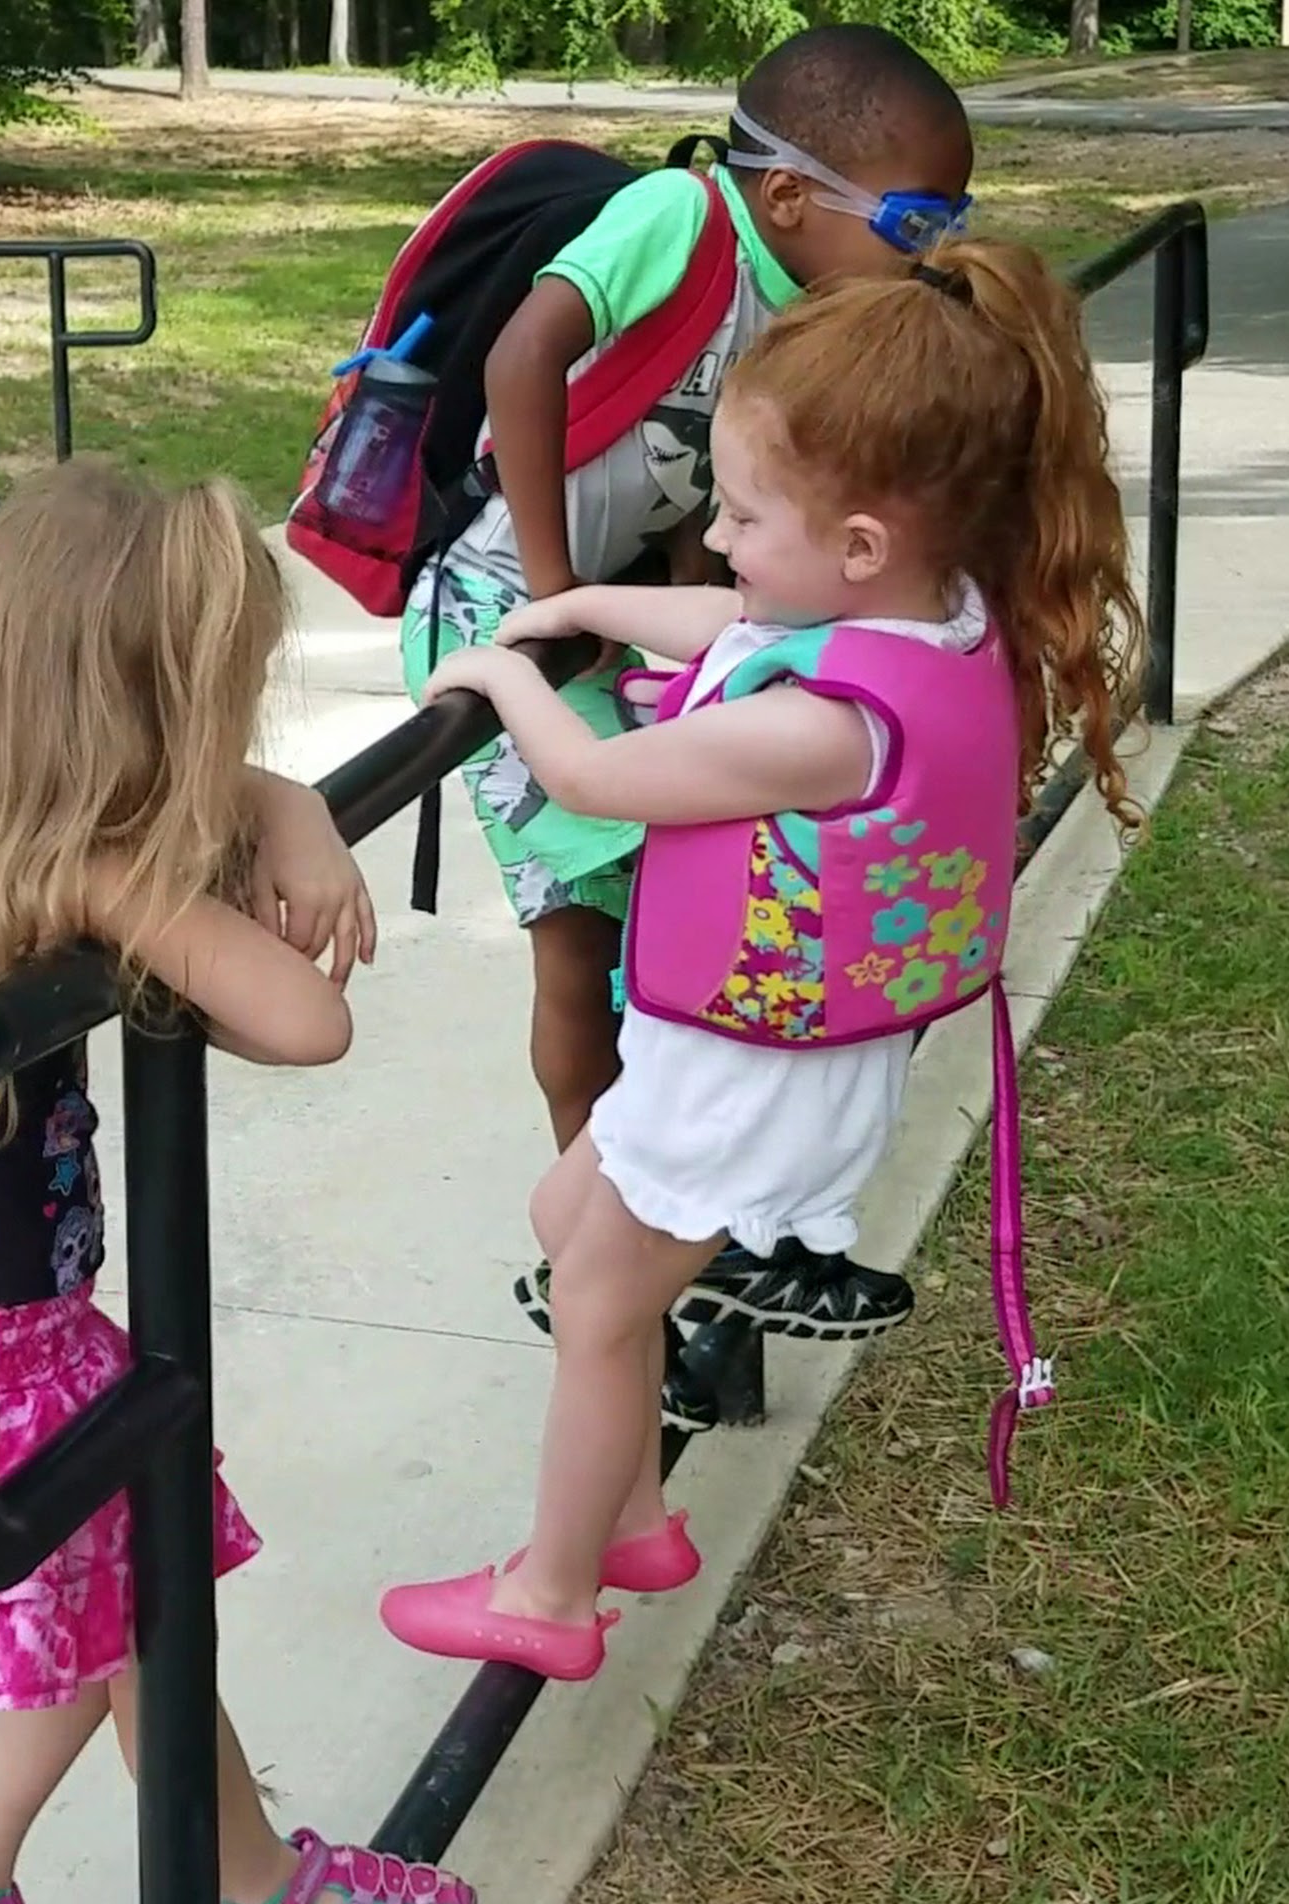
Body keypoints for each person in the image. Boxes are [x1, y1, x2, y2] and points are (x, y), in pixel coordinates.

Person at [0, 460, 478, 1904]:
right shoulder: (76, 867)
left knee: (138, 1583)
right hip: (0, 1365)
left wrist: (273, 803)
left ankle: (201, 1883)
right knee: (136, 1582)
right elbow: (302, 1021)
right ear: (139, 711)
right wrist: (225, 858)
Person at [381, 235, 1142, 1681]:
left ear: (858, 542)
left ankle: (548, 1597)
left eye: (738, 513)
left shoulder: (825, 727)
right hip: (737, 1041)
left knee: (602, 1301)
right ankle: (638, 1519)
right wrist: (596, 608)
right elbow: (737, 619)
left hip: (754, 1067)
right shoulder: (928, 610)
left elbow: (604, 783)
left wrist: (493, 673)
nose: (716, 543)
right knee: (569, 1216)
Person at [402, 25, 977, 1373]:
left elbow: (723, 478)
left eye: (954, 218)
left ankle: (669, 1244)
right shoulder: (678, 214)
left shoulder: (819, 306)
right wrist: (553, 601)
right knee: (589, 929)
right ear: (787, 195)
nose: (936, 248)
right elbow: (522, 361)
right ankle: (618, 1251)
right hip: (508, 607)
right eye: (912, 217)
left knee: (685, 903)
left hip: (622, 618)